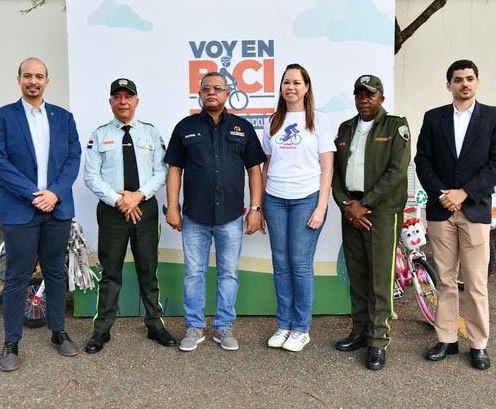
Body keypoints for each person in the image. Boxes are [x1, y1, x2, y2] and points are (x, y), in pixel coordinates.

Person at [0, 57, 81, 371]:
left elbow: (73, 159)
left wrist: (54, 193)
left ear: (47, 81)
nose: (33, 81)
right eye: (28, 76)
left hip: (57, 208)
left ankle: (58, 332)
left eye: (39, 76)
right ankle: (11, 342)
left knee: (55, 272)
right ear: (19, 80)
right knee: (17, 276)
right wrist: (34, 195)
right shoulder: (1, 117)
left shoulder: (64, 118)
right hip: (19, 210)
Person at [415, 59, 496, 370]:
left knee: (476, 281)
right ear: (449, 85)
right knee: (444, 279)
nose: (464, 84)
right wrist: (444, 193)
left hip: (475, 209)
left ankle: (478, 344)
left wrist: (464, 193)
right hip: (441, 210)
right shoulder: (433, 118)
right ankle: (447, 339)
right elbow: (423, 161)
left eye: (469, 78)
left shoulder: (495, 118)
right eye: (458, 79)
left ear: (477, 82)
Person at [164, 72, 265, 352]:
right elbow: (174, 170)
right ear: (199, 93)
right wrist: (172, 207)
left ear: (227, 94)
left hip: (231, 216)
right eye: (206, 88)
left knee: (228, 273)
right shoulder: (185, 127)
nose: (212, 92)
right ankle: (194, 326)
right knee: (194, 273)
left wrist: (255, 209)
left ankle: (223, 327)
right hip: (194, 216)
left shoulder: (242, 128)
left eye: (218, 88)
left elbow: (255, 171)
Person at [83, 78, 176, 353]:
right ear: (110, 101)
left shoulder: (150, 133)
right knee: (110, 271)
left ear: (137, 101)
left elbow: (162, 170)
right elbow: (91, 175)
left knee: (148, 269)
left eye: (128, 96)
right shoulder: (99, 134)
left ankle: (155, 324)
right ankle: (102, 330)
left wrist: (137, 196)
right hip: (112, 213)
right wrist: (119, 200)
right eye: (117, 96)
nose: (123, 101)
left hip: (144, 209)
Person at [331, 74, 410, 370]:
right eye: (359, 95)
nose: (364, 100)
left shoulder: (395, 126)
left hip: (380, 212)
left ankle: (378, 341)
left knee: (380, 278)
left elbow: (396, 172)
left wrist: (365, 204)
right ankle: (360, 331)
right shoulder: (346, 128)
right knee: (358, 274)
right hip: (351, 210)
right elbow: (336, 173)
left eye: (370, 95)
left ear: (381, 99)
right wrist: (347, 205)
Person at [261, 64, 335, 352]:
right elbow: (267, 163)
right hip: (275, 198)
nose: (290, 87)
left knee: (300, 265)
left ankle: (301, 328)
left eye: (296, 82)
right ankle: (284, 325)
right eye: (286, 82)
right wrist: (261, 204)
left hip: (307, 198)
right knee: (280, 265)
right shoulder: (273, 121)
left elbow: (327, 165)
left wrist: (321, 206)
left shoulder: (319, 120)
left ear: (306, 87)